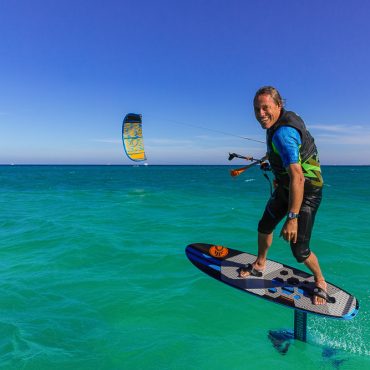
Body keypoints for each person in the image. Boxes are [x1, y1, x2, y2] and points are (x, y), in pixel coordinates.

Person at [239, 86, 327, 305]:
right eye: (257, 109)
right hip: (287, 187)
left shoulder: (283, 134)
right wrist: (272, 164)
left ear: (279, 106)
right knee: (265, 224)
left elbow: (298, 177)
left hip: (306, 192)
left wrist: (292, 218)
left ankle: (320, 281)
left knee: (299, 250)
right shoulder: (278, 125)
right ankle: (260, 264)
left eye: (266, 108)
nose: (261, 114)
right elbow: (284, 154)